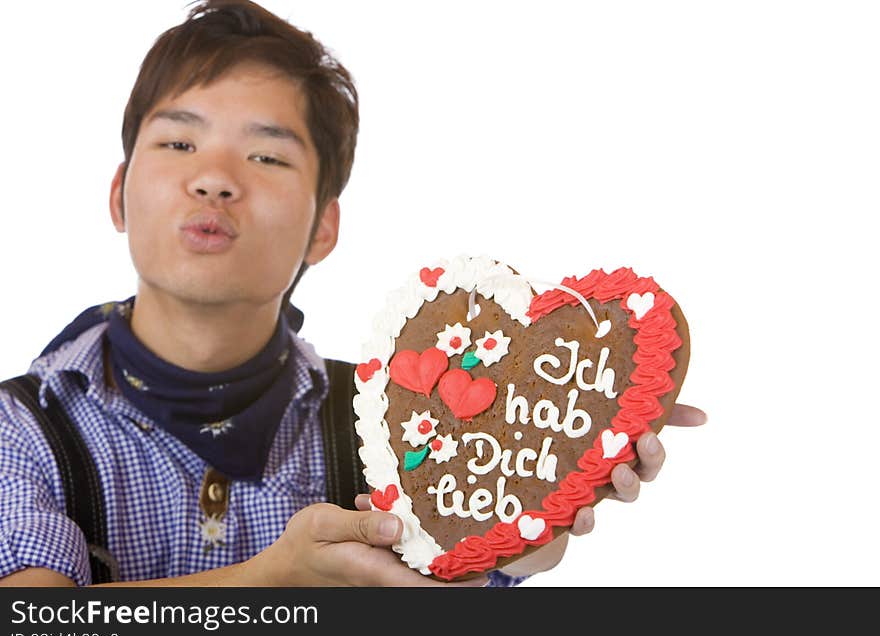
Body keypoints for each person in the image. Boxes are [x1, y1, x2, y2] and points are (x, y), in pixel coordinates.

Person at [0, 0, 705, 587]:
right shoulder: (25, 426)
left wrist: (542, 509)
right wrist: (274, 579)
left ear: (323, 227)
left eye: (266, 156)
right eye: (179, 145)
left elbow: (456, 579)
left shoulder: (389, 421)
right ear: (120, 195)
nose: (214, 179)